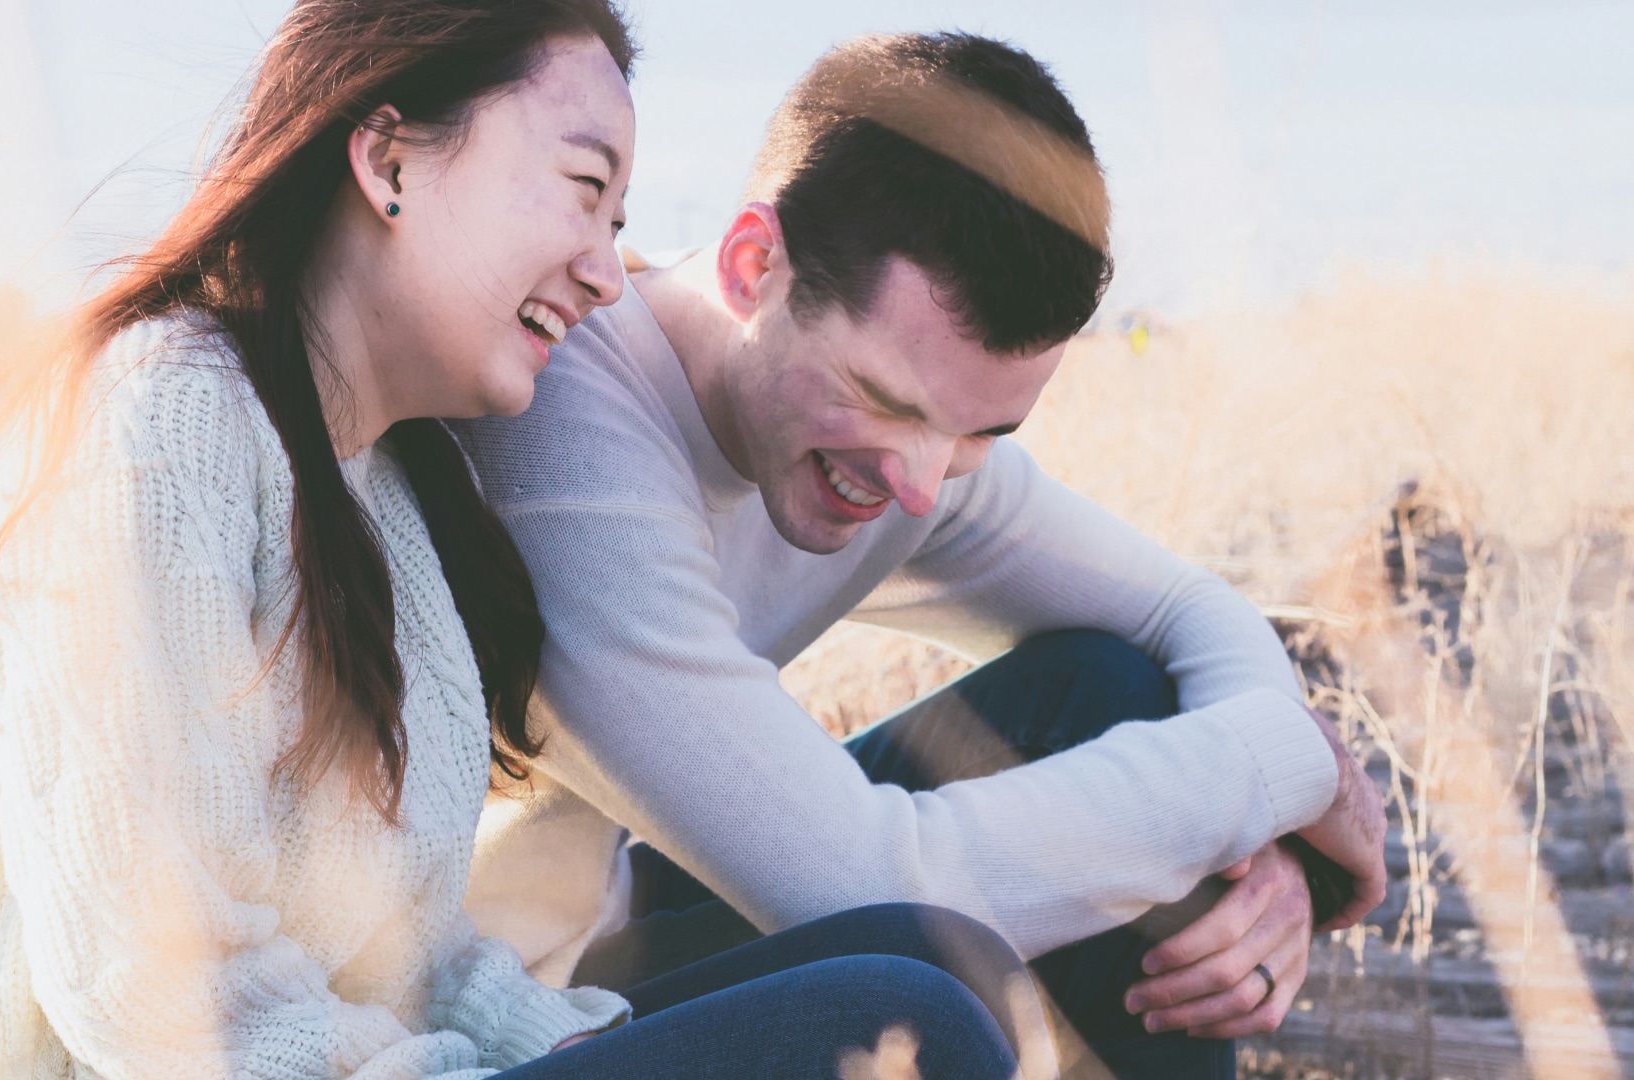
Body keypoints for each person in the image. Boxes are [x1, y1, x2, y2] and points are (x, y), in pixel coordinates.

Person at [0, 4, 1030, 1078]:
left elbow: (414, 957)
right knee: (907, 1020)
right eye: (582, 189)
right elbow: (163, 995)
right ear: (389, 159)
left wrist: (596, 1044)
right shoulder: (160, 425)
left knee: (938, 956)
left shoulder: (383, 489)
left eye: (617, 224)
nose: (605, 275)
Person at [453, 31, 1390, 1079]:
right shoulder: (565, 426)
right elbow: (866, 887)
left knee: (1112, 687)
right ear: (752, 265)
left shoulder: (917, 449)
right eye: (887, 401)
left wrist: (1258, 855)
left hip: (622, 926)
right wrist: (1282, 770)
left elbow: (1185, 608)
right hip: (493, 1021)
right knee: (929, 984)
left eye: (985, 432)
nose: (919, 481)